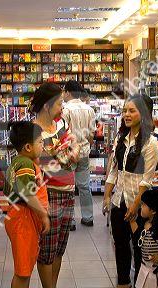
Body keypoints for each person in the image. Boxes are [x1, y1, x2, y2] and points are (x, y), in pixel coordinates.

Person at [103, 94, 158, 288]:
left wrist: (135, 206)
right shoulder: (121, 138)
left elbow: (147, 179)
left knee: (139, 248)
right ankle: (123, 283)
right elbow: (114, 170)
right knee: (120, 246)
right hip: (119, 202)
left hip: (140, 205)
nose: (126, 114)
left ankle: (139, 284)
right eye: (125, 110)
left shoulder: (149, 142)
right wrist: (107, 196)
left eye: (131, 110)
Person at [30, 83, 81, 288]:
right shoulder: (33, 132)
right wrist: (64, 153)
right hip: (49, 195)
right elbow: (42, 164)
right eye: (59, 103)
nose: (62, 107)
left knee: (60, 247)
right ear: (46, 105)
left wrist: (62, 153)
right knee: (47, 251)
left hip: (68, 191)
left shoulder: (61, 123)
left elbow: (74, 152)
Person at [4, 121, 51, 288]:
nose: (43, 145)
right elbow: (27, 193)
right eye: (40, 142)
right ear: (28, 147)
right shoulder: (25, 164)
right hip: (23, 220)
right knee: (23, 272)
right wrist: (43, 215)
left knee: (26, 268)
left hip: (21, 218)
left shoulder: (20, 161)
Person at [62, 80, 96, 229]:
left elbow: (63, 133)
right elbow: (91, 133)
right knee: (84, 186)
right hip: (84, 151)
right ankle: (88, 217)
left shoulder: (65, 109)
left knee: (68, 186)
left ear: (68, 92)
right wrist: (87, 145)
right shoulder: (89, 109)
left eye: (64, 91)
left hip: (69, 152)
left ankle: (70, 220)